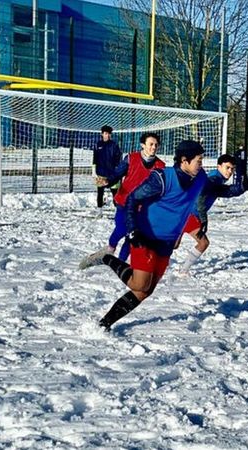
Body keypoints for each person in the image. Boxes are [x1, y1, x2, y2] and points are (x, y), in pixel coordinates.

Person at [87, 140, 208, 331]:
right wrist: (133, 230)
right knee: (140, 283)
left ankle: (105, 323)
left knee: (144, 291)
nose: (202, 164)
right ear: (184, 160)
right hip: (146, 235)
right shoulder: (162, 178)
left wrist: (242, 187)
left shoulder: (199, 176)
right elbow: (132, 199)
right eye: (199, 160)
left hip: (166, 243)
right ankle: (107, 258)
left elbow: (213, 189)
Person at [81, 132, 164, 268]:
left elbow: (160, 188)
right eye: (150, 144)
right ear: (143, 145)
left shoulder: (160, 166)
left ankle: (119, 262)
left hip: (142, 207)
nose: (153, 147)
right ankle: (110, 249)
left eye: (156, 145)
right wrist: (106, 181)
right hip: (124, 202)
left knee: (131, 236)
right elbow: (117, 174)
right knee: (121, 228)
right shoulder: (131, 158)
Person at [175, 154, 246, 275]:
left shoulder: (217, 179)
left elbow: (226, 191)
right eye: (227, 167)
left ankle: (149, 255)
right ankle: (183, 270)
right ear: (219, 166)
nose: (230, 171)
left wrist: (243, 187)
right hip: (189, 215)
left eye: (232, 169)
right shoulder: (213, 179)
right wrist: (203, 219)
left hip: (185, 213)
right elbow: (201, 197)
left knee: (173, 245)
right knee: (203, 243)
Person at [92, 126, 122, 208]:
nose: (107, 135)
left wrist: (117, 171)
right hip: (100, 173)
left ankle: (117, 212)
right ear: (102, 134)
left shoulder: (114, 145)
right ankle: (99, 212)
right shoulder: (98, 145)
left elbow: (118, 158)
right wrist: (93, 171)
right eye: (105, 133)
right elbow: (95, 158)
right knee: (100, 193)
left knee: (115, 194)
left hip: (112, 174)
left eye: (109, 134)